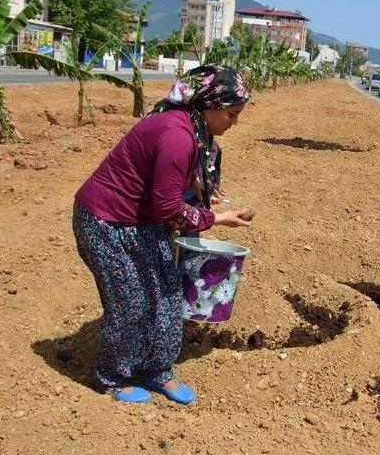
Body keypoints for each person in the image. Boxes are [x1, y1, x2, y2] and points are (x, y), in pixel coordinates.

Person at [72, 64, 253, 404]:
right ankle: (114, 377)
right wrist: (215, 218)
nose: (234, 122)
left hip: (140, 221)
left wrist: (199, 194)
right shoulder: (177, 135)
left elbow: (172, 188)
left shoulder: (195, 131)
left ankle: (158, 371)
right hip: (104, 223)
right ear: (210, 105)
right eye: (231, 114)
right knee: (130, 303)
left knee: (168, 294)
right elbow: (168, 208)